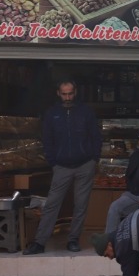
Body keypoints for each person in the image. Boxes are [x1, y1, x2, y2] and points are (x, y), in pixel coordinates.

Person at [24, 79, 101, 255]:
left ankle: (73, 240)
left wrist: (93, 159)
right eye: (64, 94)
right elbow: (47, 140)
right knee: (52, 204)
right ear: (58, 94)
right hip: (61, 166)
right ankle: (39, 242)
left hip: (84, 164)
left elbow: (96, 136)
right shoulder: (52, 114)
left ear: (75, 92)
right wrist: (53, 161)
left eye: (70, 93)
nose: (67, 97)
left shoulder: (85, 112)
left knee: (80, 205)